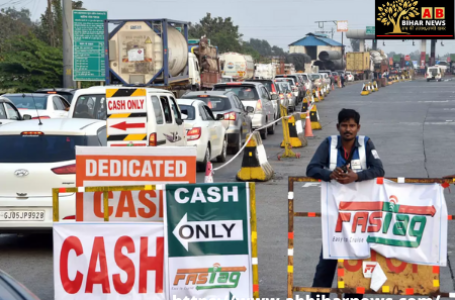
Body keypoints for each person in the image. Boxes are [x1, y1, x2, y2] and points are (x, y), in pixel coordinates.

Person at [306, 108, 385, 300]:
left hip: (359, 217)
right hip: (335, 216)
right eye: (344, 125)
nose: (347, 129)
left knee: (355, 260)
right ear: (338, 127)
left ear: (358, 127)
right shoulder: (329, 143)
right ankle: (318, 296)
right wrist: (329, 174)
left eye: (351, 126)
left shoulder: (366, 144)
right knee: (327, 261)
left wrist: (357, 176)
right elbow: (312, 168)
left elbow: (379, 170)